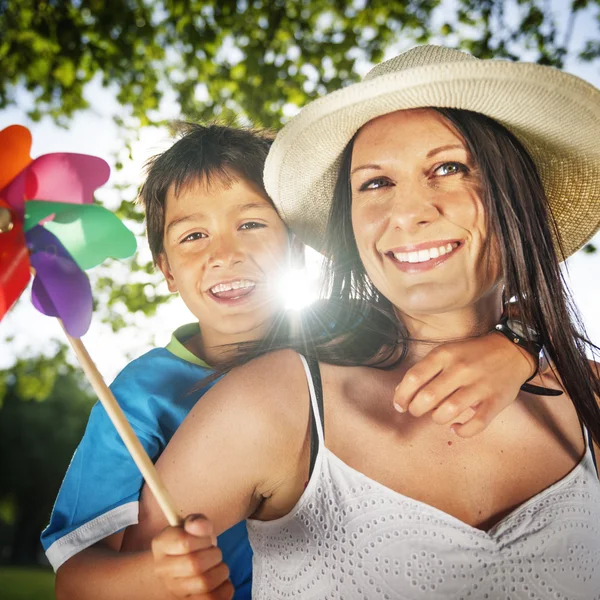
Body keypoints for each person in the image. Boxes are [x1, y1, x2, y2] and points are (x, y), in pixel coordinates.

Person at [126, 46, 600, 599]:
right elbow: (131, 582)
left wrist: (520, 342)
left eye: (448, 168)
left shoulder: (588, 395)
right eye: (375, 183)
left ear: (514, 194)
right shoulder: (273, 401)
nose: (406, 212)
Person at [45, 120, 535, 600]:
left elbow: (489, 317)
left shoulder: (351, 332)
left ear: (297, 248)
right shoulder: (139, 397)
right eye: (193, 237)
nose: (224, 254)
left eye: (252, 224)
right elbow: (74, 578)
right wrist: (151, 581)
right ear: (167, 271)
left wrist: (514, 350)